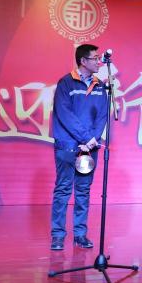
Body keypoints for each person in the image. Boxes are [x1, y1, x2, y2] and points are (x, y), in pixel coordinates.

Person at [49, 44, 108, 250]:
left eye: (99, 58)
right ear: (83, 61)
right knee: (63, 189)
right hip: (67, 146)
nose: (99, 62)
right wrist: (85, 138)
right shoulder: (66, 83)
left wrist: (92, 140)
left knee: (83, 191)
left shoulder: (100, 86)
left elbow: (102, 116)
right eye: (95, 58)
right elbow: (65, 114)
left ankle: (80, 234)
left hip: (89, 148)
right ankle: (57, 235)